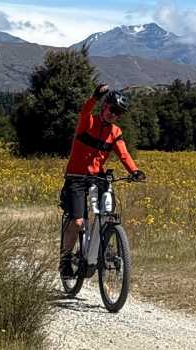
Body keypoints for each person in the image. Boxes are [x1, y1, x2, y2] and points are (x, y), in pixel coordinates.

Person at [59, 84, 146, 278]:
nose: (113, 115)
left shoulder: (115, 132)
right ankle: (65, 260)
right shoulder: (87, 122)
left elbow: (123, 154)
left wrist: (135, 171)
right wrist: (94, 97)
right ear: (104, 106)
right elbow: (85, 110)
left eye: (118, 113)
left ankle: (102, 249)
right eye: (112, 109)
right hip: (76, 177)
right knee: (79, 221)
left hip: (97, 177)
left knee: (107, 212)